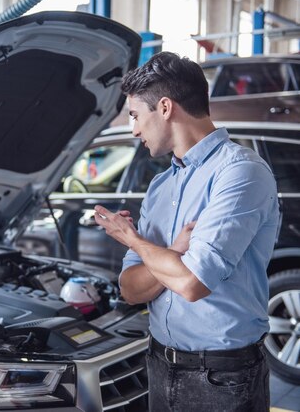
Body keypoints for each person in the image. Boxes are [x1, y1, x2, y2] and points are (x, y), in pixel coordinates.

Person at [93, 51, 279, 412]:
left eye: (134, 115)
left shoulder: (239, 173)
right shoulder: (160, 187)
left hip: (222, 379)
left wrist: (134, 240)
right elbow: (130, 289)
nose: (133, 129)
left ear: (164, 107)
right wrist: (172, 255)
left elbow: (193, 283)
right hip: (159, 363)